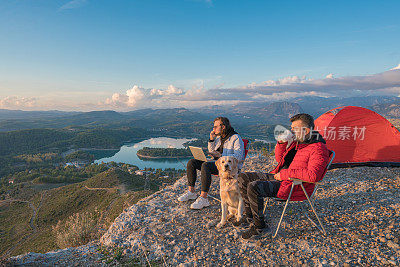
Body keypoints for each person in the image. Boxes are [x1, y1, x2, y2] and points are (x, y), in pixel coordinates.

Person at [238, 113, 330, 239]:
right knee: (243, 177)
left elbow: (313, 175)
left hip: (294, 186)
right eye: (292, 128)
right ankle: (250, 217)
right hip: (282, 178)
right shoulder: (299, 142)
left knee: (254, 187)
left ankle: (259, 227)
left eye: (295, 128)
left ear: (306, 130)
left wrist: (285, 175)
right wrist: (281, 144)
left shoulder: (318, 148)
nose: (292, 130)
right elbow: (280, 160)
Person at [178, 117, 245, 209]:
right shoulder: (219, 137)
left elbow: (239, 157)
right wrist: (211, 139)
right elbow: (211, 150)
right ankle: (191, 192)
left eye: (215, 127)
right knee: (192, 162)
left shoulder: (236, 138)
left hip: (229, 168)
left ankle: (203, 198)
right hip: (218, 164)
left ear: (223, 127)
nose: (213, 129)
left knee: (205, 165)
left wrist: (221, 156)